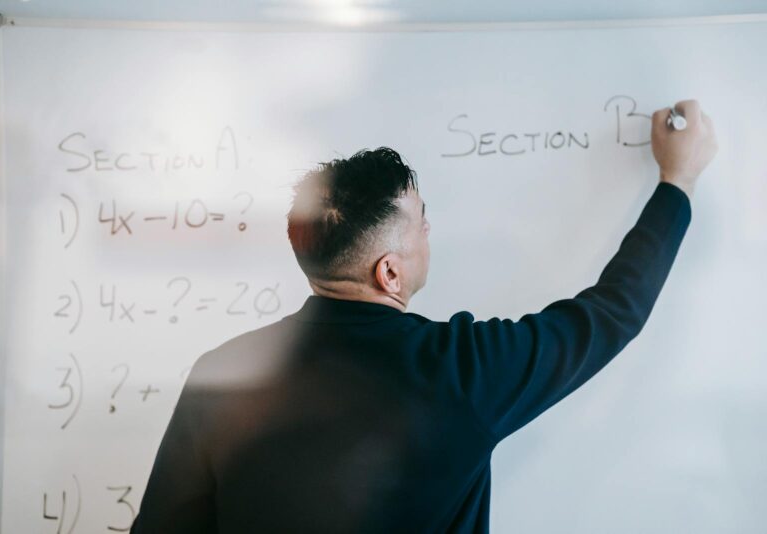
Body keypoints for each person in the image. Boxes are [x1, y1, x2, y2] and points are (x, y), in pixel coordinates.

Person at [130, 100, 717, 533]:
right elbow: (615, 311)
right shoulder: (464, 370)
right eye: (422, 221)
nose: (431, 231)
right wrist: (677, 181)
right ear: (389, 272)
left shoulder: (221, 374)